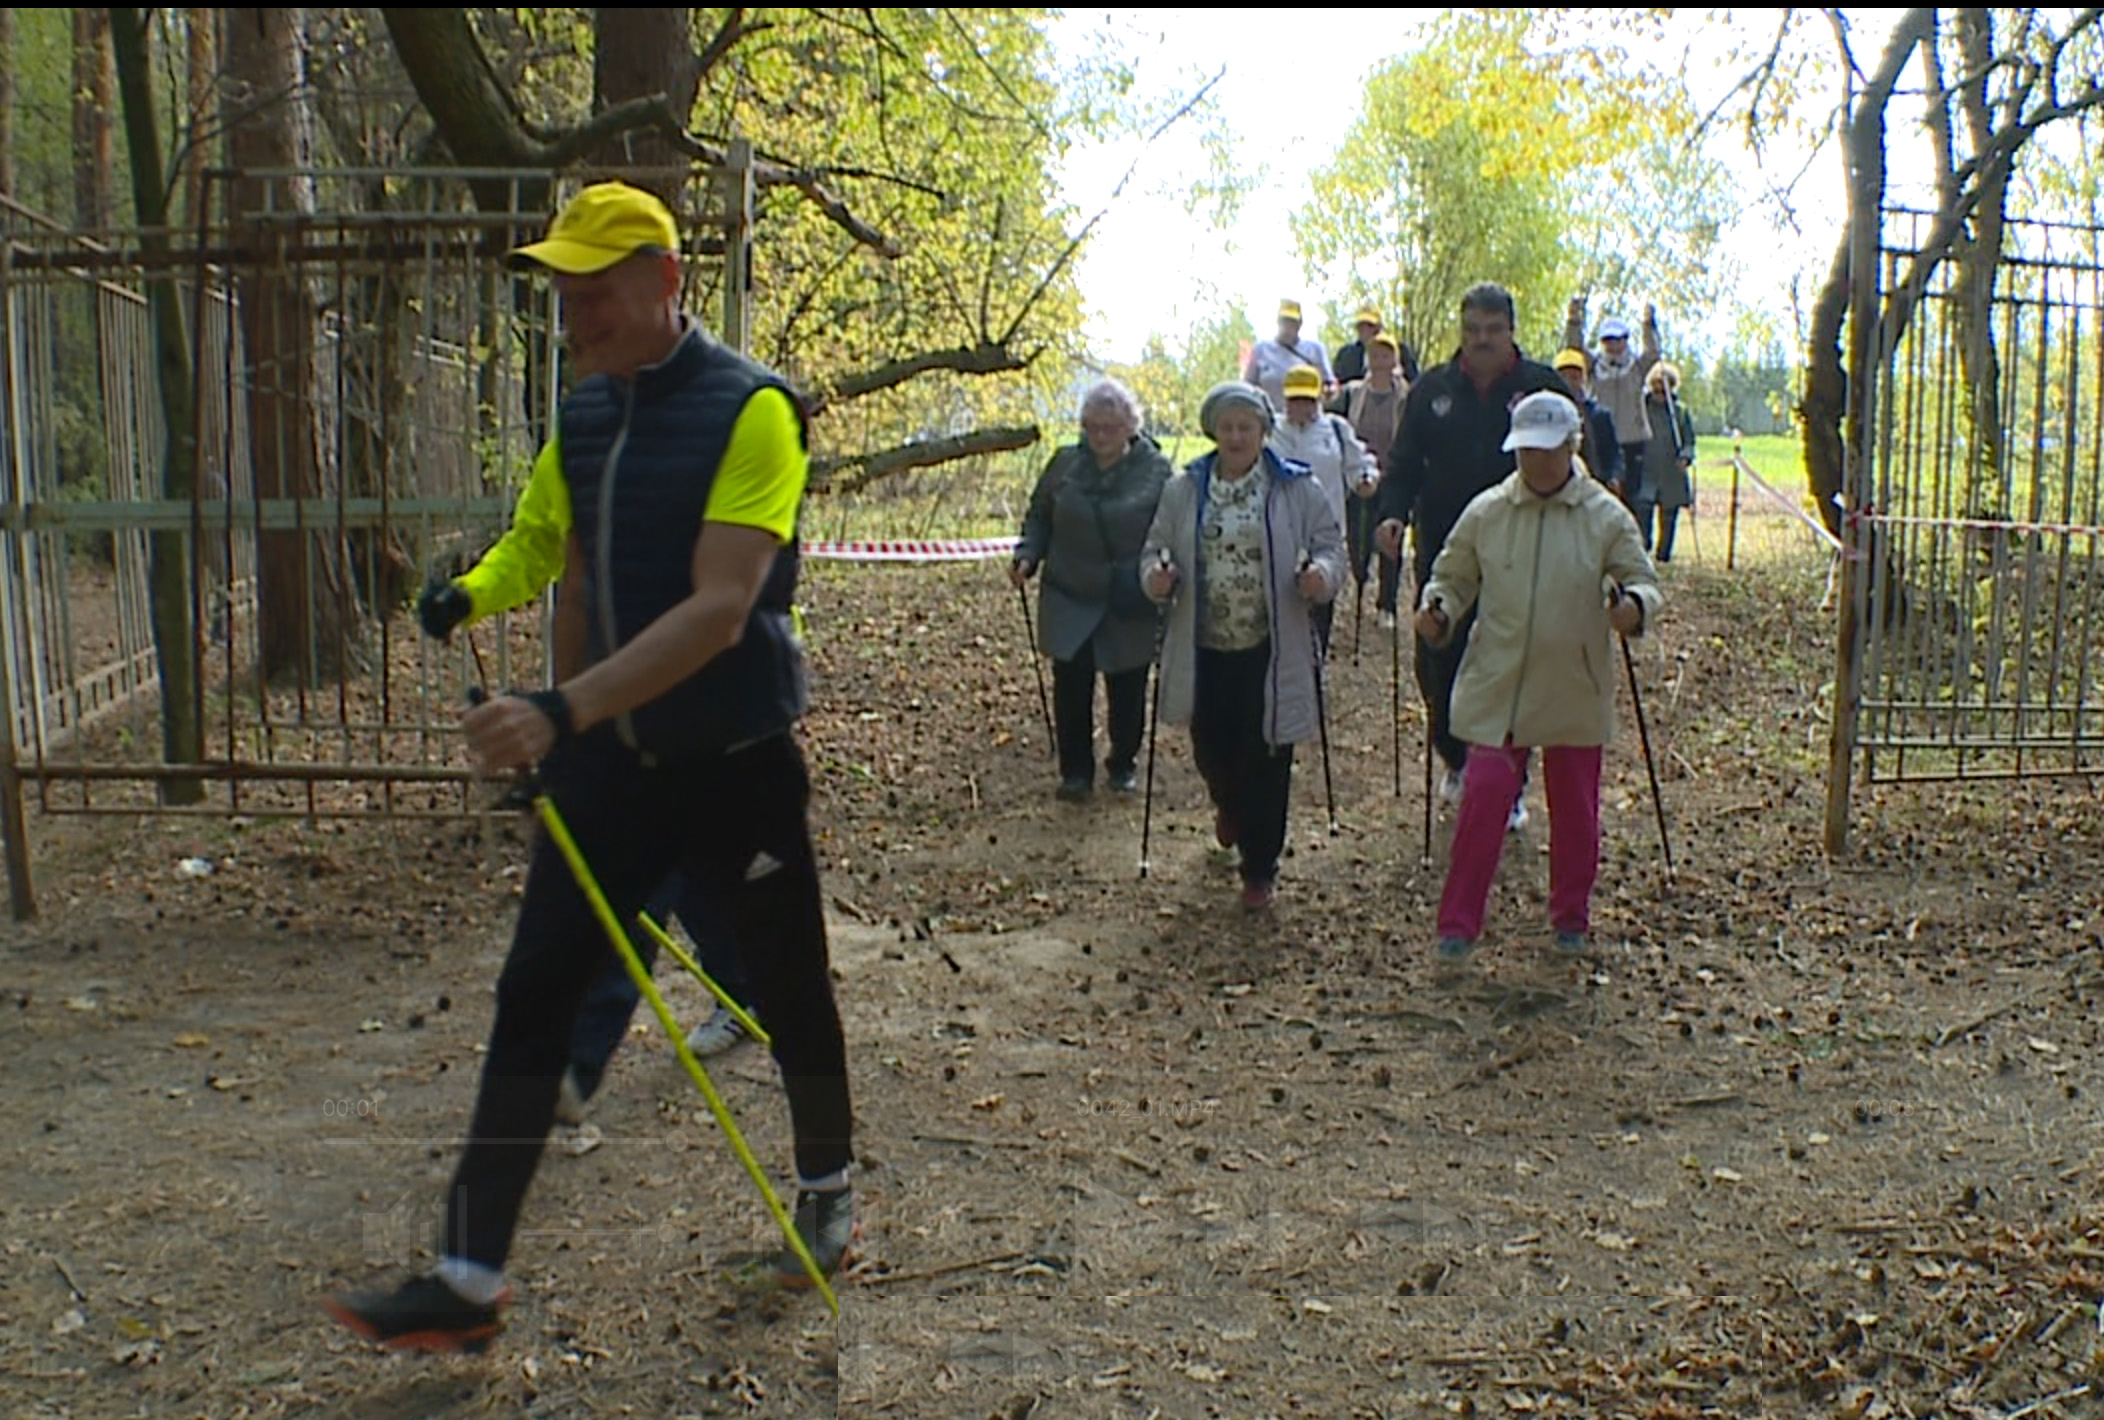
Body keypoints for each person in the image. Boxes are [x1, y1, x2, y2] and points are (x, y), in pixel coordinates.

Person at [324, 181, 856, 1354]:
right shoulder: (584, 415)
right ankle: (466, 1281)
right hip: (611, 770)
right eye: (564, 298)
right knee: (533, 995)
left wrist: (559, 707)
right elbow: (554, 554)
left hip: (735, 766)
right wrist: (483, 608)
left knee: (787, 989)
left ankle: (827, 1183)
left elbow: (721, 608)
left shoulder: (755, 412)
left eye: (596, 295)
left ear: (665, 283)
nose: (576, 319)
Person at [416, 443, 761, 1121]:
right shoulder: (576, 445)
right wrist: (470, 596)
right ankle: (744, 986)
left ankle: (574, 1061)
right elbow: (536, 544)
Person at [1413, 391, 1662, 961]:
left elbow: (1642, 579)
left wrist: (1634, 608)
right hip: (1500, 679)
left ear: (1573, 446)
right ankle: (1457, 925)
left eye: (1549, 450)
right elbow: (1451, 575)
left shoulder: (1605, 515)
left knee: (1576, 808)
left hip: (1573, 680)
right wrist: (1439, 610)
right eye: (1527, 451)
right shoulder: (1489, 511)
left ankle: (1570, 915)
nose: (1538, 462)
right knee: (1484, 798)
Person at [1140, 381, 1346, 911]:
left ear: (1262, 432)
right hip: (1204, 643)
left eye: (1246, 427)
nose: (1236, 436)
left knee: (1269, 755)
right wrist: (1157, 576)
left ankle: (1260, 866)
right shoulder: (1186, 487)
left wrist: (1319, 578)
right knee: (1211, 745)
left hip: (1270, 646)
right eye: (1227, 427)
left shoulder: (1294, 487)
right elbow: (1155, 548)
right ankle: (1227, 804)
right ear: (1214, 431)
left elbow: (1330, 546)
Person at [1374, 283, 1565, 827]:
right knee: (1439, 655)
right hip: (1444, 543)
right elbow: (1405, 461)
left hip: (1526, 545)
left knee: (1516, 661)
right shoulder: (1432, 388)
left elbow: (1576, 462)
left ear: (1511, 332)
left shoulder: (1541, 388)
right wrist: (1392, 513)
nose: (1481, 341)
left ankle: (1509, 781)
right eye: (1472, 331)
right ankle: (1456, 759)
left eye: (1493, 331)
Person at [1010, 379, 1173, 800]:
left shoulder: (1155, 469)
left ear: (1129, 427)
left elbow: (1170, 526)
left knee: (1127, 686)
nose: (1099, 436)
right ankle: (1075, 771)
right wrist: (1027, 556)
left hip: (1128, 595)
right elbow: (1039, 516)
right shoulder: (1064, 464)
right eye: (1092, 427)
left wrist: (1165, 571)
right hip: (1070, 589)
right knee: (1071, 683)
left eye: (1109, 427)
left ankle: (1123, 761)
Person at [1268, 364, 1374, 657]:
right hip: (1278, 530)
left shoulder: (1336, 429)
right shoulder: (1268, 430)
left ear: (1319, 399)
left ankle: (1316, 665)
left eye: (1307, 399)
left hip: (1325, 533)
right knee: (1280, 604)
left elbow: (1359, 463)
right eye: (1295, 399)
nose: (1301, 407)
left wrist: (1366, 479)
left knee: (1319, 601)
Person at [1337, 333, 1409, 627]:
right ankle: (1359, 580)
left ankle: (1387, 604)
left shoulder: (1407, 395)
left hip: (1394, 476)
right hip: (1359, 475)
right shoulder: (1352, 393)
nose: (1380, 360)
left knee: (1391, 537)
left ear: (1395, 359)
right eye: (1375, 354)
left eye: (1385, 354)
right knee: (1358, 537)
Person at [1565, 298, 1660, 505]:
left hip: (1633, 439)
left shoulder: (1636, 366)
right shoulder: (1594, 365)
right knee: (1601, 493)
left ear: (1626, 340)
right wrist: (1574, 320)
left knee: (1632, 496)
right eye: (1608, 340)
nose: (1613, 345)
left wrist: (1648, 324)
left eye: (1618, 339)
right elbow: (1574, 347)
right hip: (1602, 437)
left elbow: (1653, 353)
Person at [1634, 362, 1697, 561]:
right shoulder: (1641, 407)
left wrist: (1685, 457)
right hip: (1646, 468)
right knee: (1643, 510)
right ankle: (1643, 548)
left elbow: (1689, 441)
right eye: (1657, 385)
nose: (1660, 391)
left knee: (1669, 514)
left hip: (1671, 470)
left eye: (1665, 385)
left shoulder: (1680, 412)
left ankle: (1664, 555)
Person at [1551, 348, 1624, 495]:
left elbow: (1614, 454)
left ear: (1583, 379)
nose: (1569, 382)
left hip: (1595, 486)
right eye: (1563, 376)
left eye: (1574, 377)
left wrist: (1614, 477)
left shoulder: (1599, 415)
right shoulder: (1547, 414)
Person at [1243, 298, 1335, 410]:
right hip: (1271, 417)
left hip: (1309, 418)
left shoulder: (1315, 349)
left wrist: (1328, 391)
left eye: (1293, 322)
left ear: (1300, 324)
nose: (1288, 326)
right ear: (1277, 322)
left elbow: (1329, 384)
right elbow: (1247, 387)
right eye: (1284, 321)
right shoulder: (1261, 349)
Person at [1333, 305, 1421, 386]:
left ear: (1379, 327)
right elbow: (1335, 384)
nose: (1365, 329)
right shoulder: (1345, 354)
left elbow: (1415, 383)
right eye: (1361, 325)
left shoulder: (1400, 350)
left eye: (1370, 325)